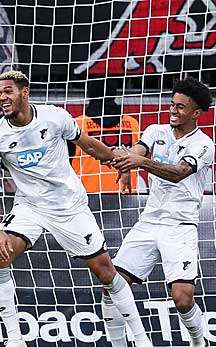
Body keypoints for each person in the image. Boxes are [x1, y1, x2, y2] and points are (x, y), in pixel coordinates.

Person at [0, 70, 152, 347]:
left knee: (106, 272)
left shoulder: (55, 117)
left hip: (68, 206)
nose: (2, 97)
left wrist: (118, 162)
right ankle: (14, 339)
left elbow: (87, 144)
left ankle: (140, 337)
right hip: (29, 207)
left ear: (25, 92)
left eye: (8, 91)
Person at [106, 77, 213, 347]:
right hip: (149, 222)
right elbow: (137, 151)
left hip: (180, 227)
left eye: (180, 107)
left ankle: (199, 342)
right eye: (171, 104)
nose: (173, 111)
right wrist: (126, 167)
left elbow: (178, 173)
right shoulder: (155, 131)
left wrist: (139, 162)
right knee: (112, 284)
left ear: (196, 113)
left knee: (182, 297)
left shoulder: (204, 145)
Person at [70, 78, 140, 193]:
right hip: (126, 192)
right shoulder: (132, 123)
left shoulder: (77, 124)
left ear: (90, 94)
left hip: (87, 195)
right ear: (114, 93)